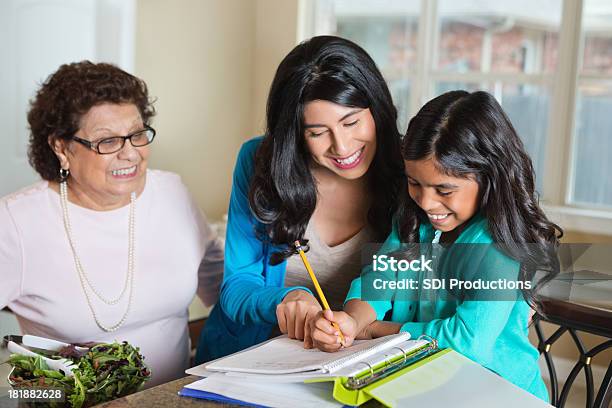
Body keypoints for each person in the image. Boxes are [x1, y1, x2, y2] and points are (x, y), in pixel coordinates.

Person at [309, 90, 562, 402]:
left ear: (489, 178)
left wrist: (376, 330)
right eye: (414, 183)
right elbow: (378, 282)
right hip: (432, 387)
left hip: (502, 396)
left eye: (444, 189)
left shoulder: (497, 247)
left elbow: (467, 343)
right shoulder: (414, 222)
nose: (426, 202)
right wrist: (352, 321)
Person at [0, 61, 224, 387]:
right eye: (107, 142)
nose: (130, 154)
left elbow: (221, 286)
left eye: (136, 134)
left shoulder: (171, 192)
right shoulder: (17, 222)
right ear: (61, 148)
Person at [196, 35, 406, 362]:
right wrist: (286, 299)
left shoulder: (415, 172)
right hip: (252, 359)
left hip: (365, 361)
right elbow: (236, 288)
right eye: (317, 132)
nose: (342, 146)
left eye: (351, 122)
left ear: (376, 109)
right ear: (295, 133)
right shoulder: (259, 162)